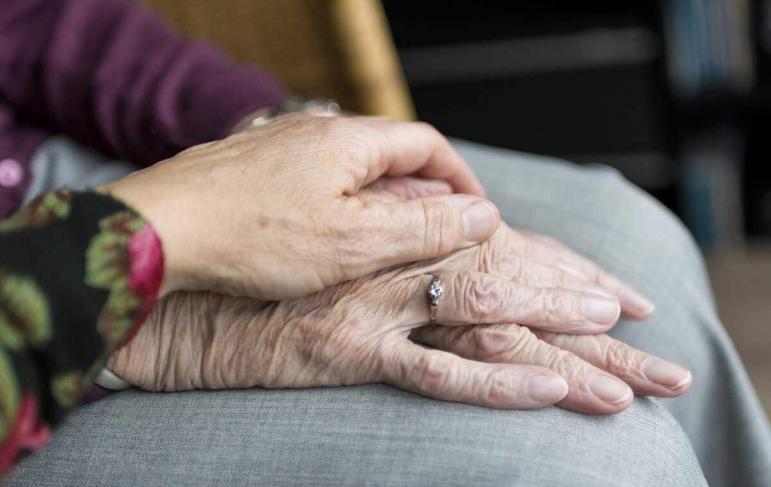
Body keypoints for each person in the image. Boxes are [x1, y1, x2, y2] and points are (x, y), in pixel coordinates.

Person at [0, 1, 769, 486]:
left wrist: (270, 136)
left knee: (627, 242)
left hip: (56, 164)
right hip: (28, 347)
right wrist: (155, 303)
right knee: (596, 454)